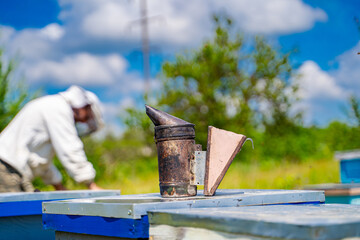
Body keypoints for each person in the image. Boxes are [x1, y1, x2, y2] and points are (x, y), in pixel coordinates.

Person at [0, 85, 104, 192]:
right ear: (84, 106)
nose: (83, 122)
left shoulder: (53, 107)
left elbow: (42, 159)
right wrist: (90, 184)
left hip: (15, 171)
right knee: (15, 208)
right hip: (6, 168)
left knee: (26, 205)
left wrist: (58, 186)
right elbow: (70, 149)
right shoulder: (58, 108)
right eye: (86, 117)